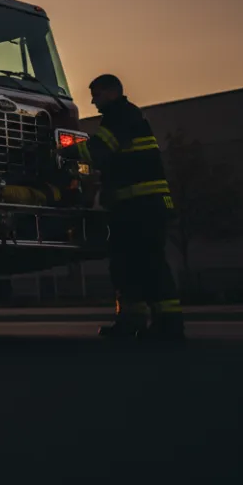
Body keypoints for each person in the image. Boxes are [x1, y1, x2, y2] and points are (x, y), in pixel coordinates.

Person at [62, 74, 183, 341]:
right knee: (127, 267)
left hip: (140, 208)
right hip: (135, 208)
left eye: (96, 94)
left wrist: (60, 151)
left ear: (112, 92)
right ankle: (133, 323)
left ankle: (168, 326)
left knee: (148, 265)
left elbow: (97, 151)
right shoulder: (127, 116)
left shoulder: (121, 116)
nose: (93, 101)